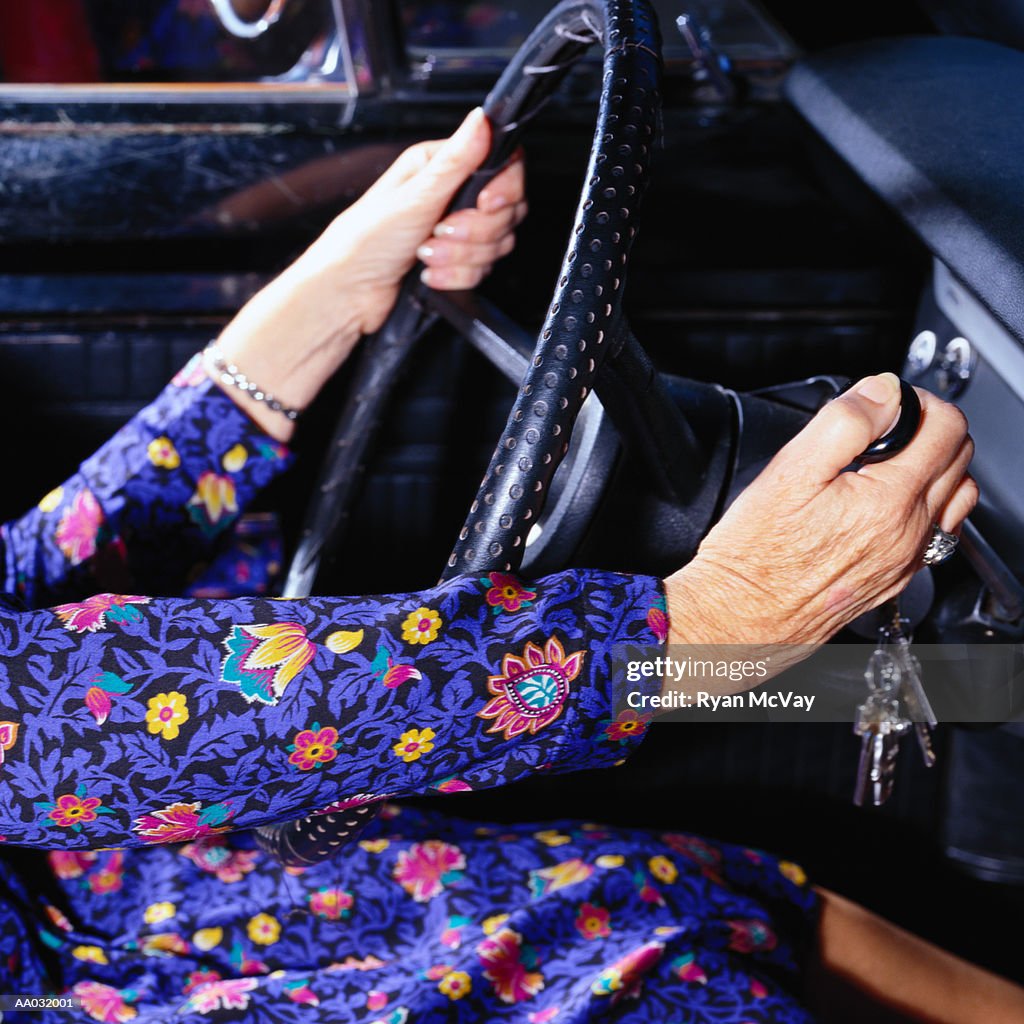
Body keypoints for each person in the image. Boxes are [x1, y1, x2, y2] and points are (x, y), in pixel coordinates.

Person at [0, 107, 1015, 1024]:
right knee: (665, 997)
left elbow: (33, 587)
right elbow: (38, 714)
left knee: (657, 895)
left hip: (61, 889)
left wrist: (325, 294)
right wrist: (703, 628)